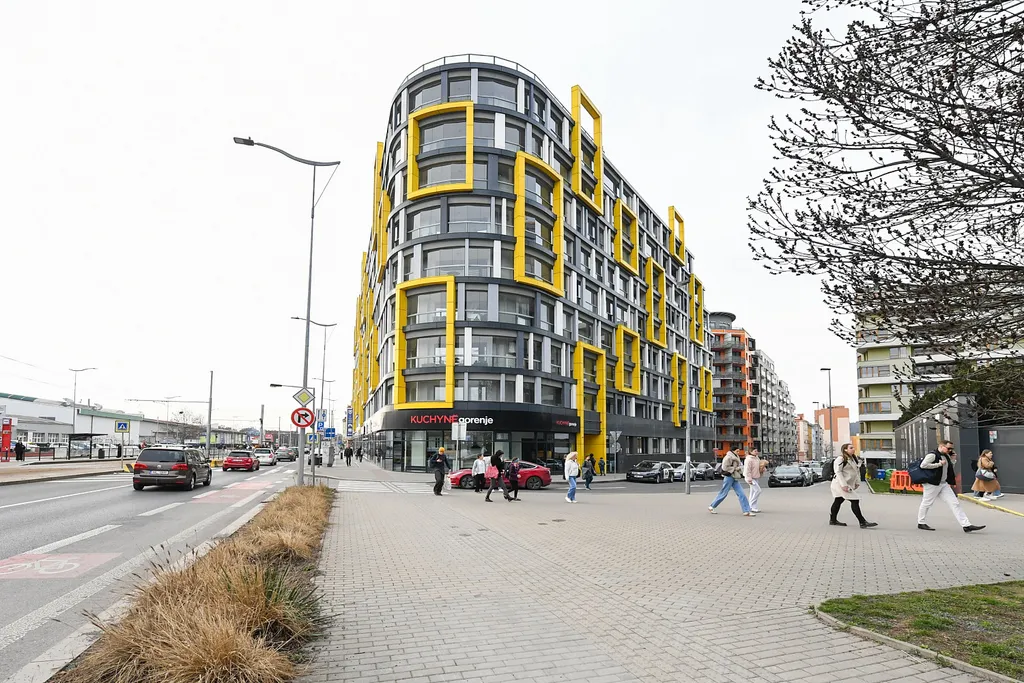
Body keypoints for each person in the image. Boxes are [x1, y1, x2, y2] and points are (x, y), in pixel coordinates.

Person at [918, 441, 985, 532]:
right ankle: (921, 522)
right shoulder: (932, 455)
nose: (950, 450)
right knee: (927, 503)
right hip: (932, 483)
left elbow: (948, 469)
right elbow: (923, 465)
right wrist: (939, 464)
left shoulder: (946, 456)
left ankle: (966, 525)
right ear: (941, 446)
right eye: (948, 448)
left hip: (943, 484)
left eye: (951, 449)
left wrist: (952, 460)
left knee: (955, 503)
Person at [829, 443, 877, 528]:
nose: (853, 449)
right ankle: (862, 522)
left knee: (838, 501)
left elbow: (856, 472)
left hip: (847, 484)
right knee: (855, 500)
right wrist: (844, 485)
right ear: (845, 450)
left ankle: (833, 520)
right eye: (851, 448)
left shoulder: (853, 459)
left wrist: (857, 482)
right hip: (839, 484)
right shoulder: (840, 459)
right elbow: (838, 472)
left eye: (853, 447)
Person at [709, 449, 753, 516]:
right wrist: (734, 469)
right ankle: (712, 506)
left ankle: (746, 511)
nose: (738, 452)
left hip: (734, 476)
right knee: (724, 493)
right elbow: (724, 468)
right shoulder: (728, 457)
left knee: (741, 493)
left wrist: (738, 469)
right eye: (737, 451)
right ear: (733, 451)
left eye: (738, 451)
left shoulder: (736, 457)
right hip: (729, 477)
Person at [743, 448, 763, 513]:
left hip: (755, 477)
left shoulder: (757, 458)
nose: (756, 452)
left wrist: (763, 468)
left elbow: (759, 466)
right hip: (750, 478)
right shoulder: (748, 459)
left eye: (757, 451)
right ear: (750, 452)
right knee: (758, 491)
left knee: (752, 492)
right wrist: (749, 478)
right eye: (755, 451)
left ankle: (753, 507)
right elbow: (747, 469)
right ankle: (750, 505)